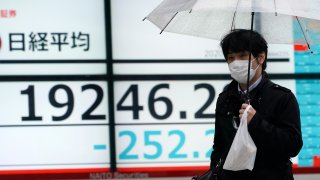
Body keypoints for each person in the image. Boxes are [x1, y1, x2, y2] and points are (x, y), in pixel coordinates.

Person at [210, 29, 303, 180]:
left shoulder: (282, 97)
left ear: (260, 57)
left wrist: (257, 123)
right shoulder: (225, 99)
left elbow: (293, 146)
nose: (235, 63)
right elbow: (219, 147)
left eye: (242, 56)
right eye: (230, 58)